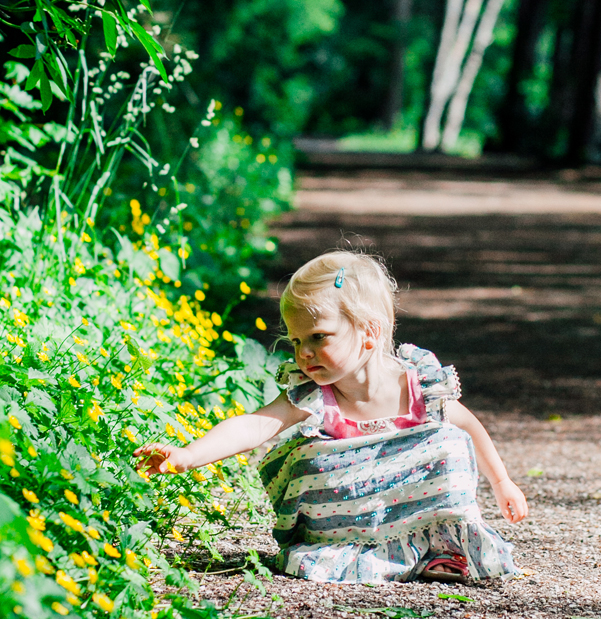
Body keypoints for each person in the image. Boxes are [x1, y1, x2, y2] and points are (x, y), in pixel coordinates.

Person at [134, 250, 527, 584]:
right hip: (348, 515)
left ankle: (439, 546)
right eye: (295, 341)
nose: (303, 353)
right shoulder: (313, 393)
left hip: (411, 501)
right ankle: (344, 553)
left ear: (368, 333)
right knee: (311, 460)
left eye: (318, 337)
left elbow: (469, 427)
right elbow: (255, 425)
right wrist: (187, 455)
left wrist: (502, 481)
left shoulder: (418, 383)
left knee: (449, 444)